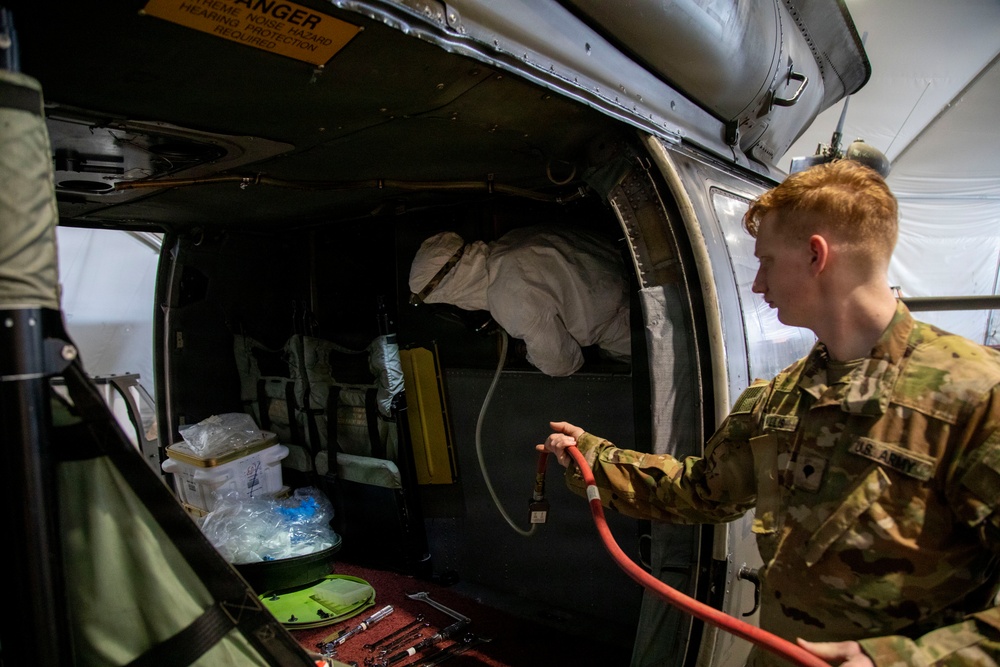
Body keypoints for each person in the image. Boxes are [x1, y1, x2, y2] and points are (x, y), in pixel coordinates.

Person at [537, 160, 1000, 666]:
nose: (758, 284)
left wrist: (897, 660)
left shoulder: (974, 396)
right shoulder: (780, 396)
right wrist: (589, 456)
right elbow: (701, 492)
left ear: (815, 255)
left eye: (767, 261)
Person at [408, 225, 631, 377]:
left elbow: (562, 363)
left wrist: (528, 354)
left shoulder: (507, 298)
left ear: (452, 289)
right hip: (630, 273)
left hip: (626, 324)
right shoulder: (512, 240)